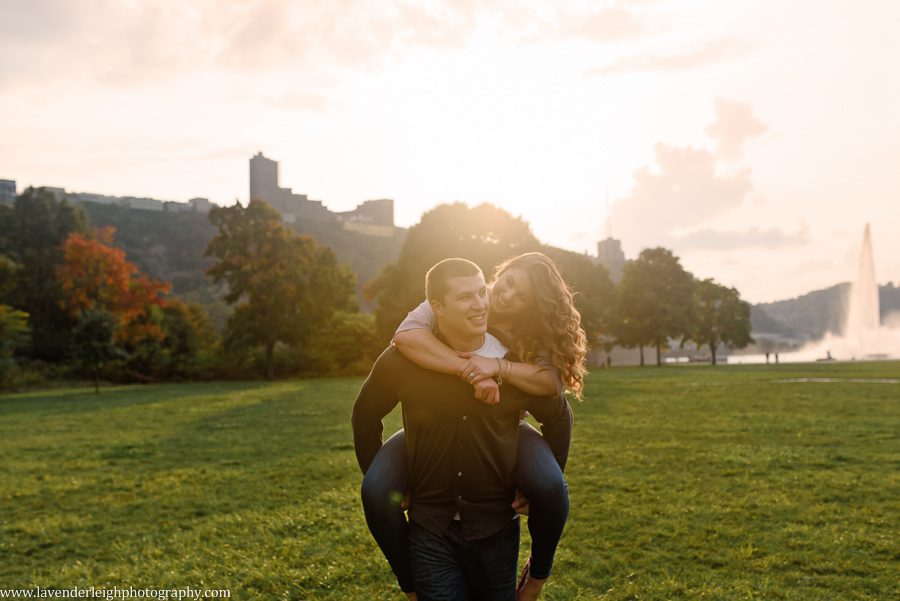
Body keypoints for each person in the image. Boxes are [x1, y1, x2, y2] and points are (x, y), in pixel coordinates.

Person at [362, 252, 586, 600]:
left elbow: (553, 392)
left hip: (504, 436)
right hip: (428, 444)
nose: (499, 297)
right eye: (507, 283)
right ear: (502, 272)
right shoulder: (444, 300)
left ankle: (537, 577)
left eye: (520, 296)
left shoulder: (524, 342)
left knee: (549, 486)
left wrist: (499, 368)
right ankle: (410, 584)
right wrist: (467, 369)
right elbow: (405, 337)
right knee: (377, 489)